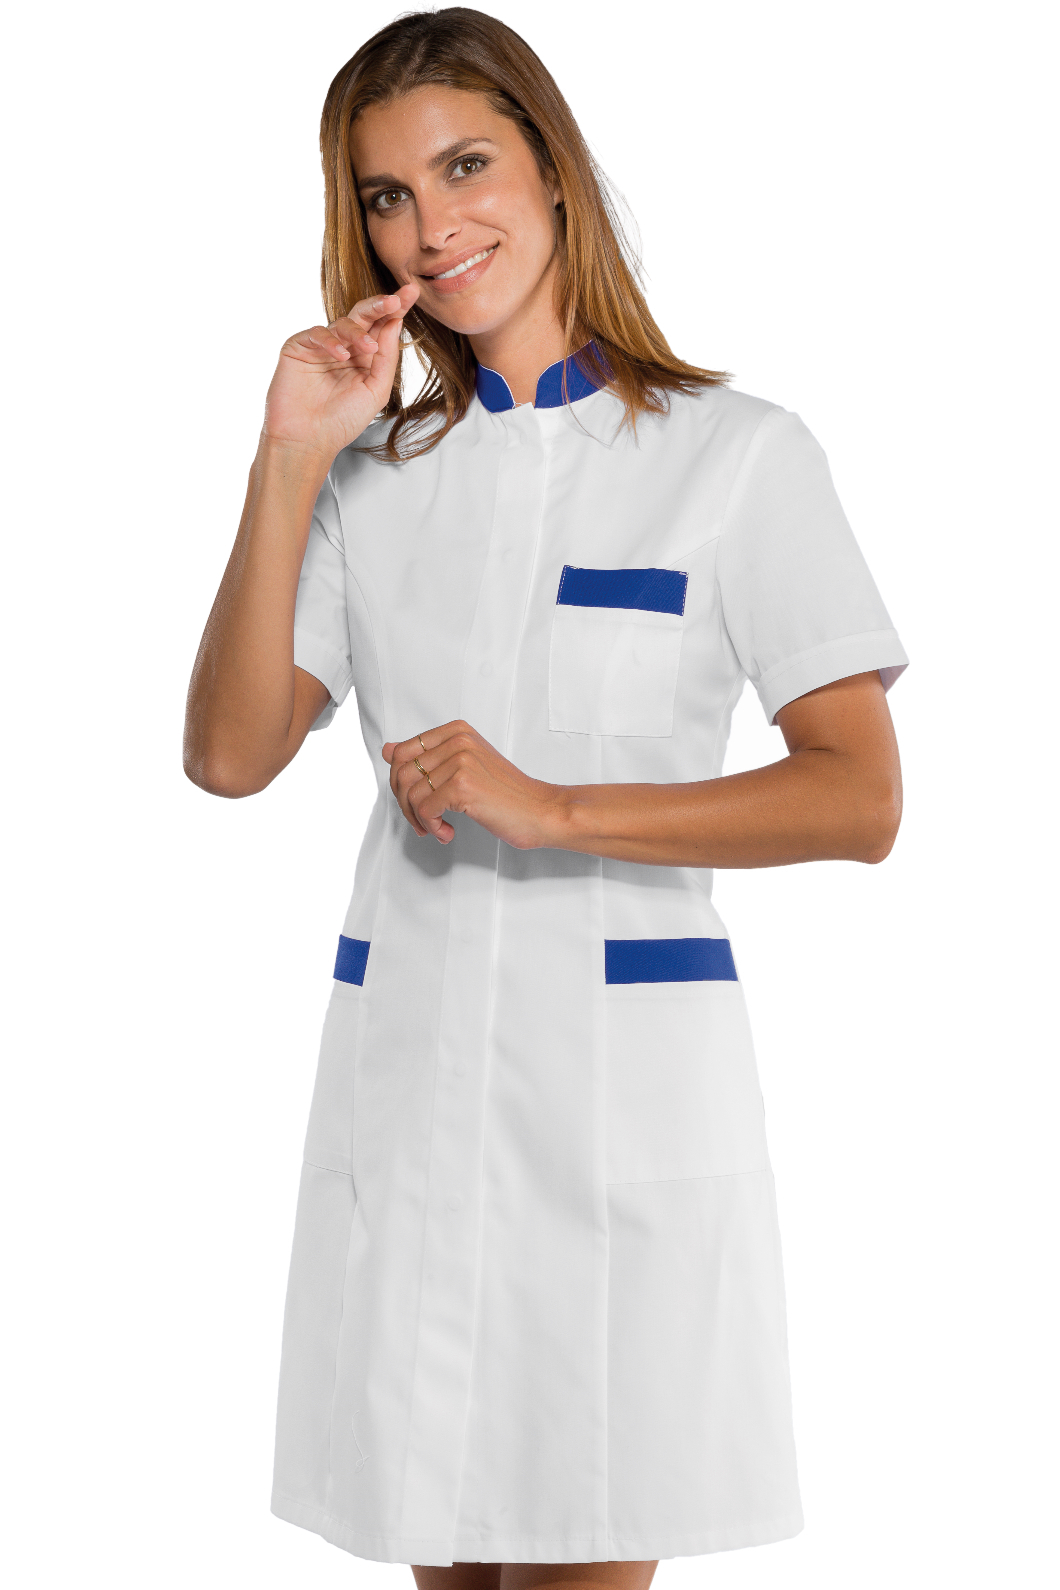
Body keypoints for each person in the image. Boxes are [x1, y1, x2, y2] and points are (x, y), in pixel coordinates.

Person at [183, 9, 908, 1590]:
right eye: (386, 195)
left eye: (465, 168)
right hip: (410, 1099)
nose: (429, 226)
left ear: (554, 171)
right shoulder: (369, 477)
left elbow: (860, 797)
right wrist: (288, 459)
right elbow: (230, 754)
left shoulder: (735, 457)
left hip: (616, 1117)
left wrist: (559, 806)